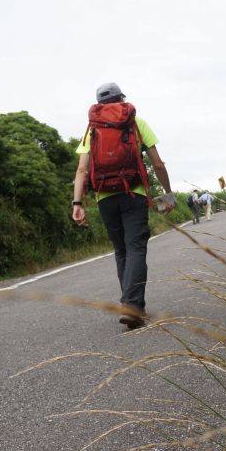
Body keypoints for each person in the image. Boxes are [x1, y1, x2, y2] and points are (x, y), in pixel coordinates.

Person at [71, 82, 174, 329]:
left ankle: (131, 304)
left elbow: (82, 168)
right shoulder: (135, 122)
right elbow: (158, 164)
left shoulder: (91, 129)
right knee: (136, 247)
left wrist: (76, 202)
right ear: (122, 99)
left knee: (121, 251)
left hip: (104, 197)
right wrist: (167, 194)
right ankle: (132, 306)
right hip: (133, 193)